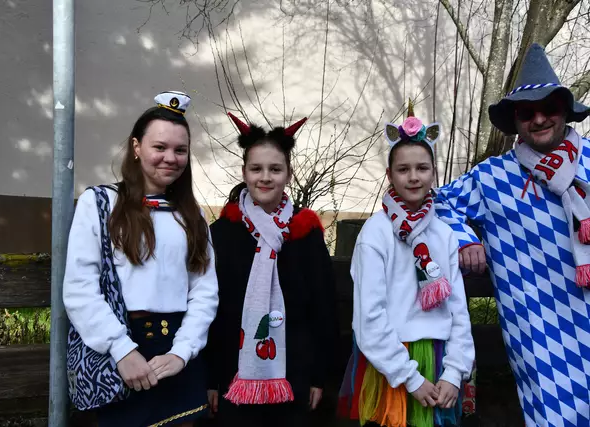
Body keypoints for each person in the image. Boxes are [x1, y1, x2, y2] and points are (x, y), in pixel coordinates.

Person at [435, 43, 590, 426]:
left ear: (564, 111)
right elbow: (438, 203)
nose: (539, 119)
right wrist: (465, 239)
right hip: (540, 334)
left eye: (548, 108)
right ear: (515, 120)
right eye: (526, 112)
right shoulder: (491, 177)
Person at [63, 91, 218, 427]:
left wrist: (181, 352)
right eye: (159, 147)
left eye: (180, 150)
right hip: (118, 354)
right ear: (136, 147)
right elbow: (79, 289)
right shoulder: (100, 203)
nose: (170, 158)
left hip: (177, 355)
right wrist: (122, 350)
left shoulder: (193, 216)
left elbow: (204, 292)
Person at [338, 110, 475, 427]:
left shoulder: (444, 235)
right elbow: (369, 315)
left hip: (439, 362)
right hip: (391, 364)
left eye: (422, 168)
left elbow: (458, 310)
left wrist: (454, 371)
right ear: (390, 175)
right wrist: (408, 376)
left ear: (433, 172)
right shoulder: (375, 234)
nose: (413, 177)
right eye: (403, 169)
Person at [204, 112, 337, 427]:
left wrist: (319, 376)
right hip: (233, 376)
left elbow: (323, 307)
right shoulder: (222, 233)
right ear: (244, 172)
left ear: (288, 174)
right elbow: (210, 310)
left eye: (275, 169)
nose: (265, 177)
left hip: (294, 375)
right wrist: (211, 378)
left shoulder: (305, 232)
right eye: (256, 169)